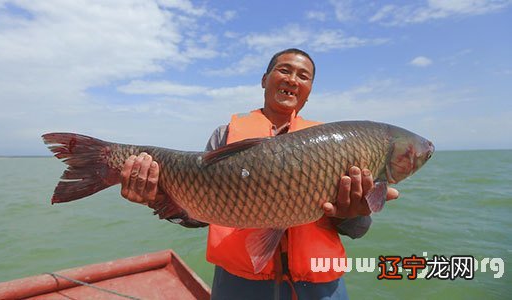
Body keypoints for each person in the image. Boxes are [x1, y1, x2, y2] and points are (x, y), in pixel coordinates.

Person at [120, 48, 399, 299]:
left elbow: (359, 229)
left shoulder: (338, 146)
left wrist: (351, 213)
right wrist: (158, 197)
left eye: (303, 76)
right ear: (264, 80)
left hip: (320, 284)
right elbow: (199, 213)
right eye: (284, 70)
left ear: (310, 89)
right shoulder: (225, 135)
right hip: (239, 282)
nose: (292, 79)